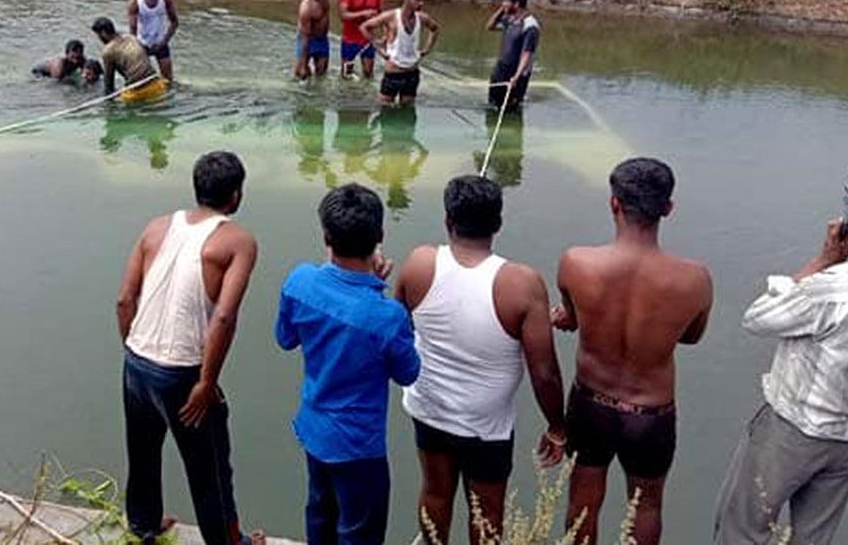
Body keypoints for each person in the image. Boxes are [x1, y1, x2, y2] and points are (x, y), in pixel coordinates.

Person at [396, 175, 567, 545]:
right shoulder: (522, 283)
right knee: (487, 512)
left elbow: (398, 326)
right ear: (498, 223)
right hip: (485, 425)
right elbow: (545, 372)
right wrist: (557, 425)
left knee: (435, 493)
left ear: (447, 220)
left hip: (430, 408)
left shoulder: (419, 263)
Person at [552, 157, 713, 545]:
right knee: (647, 506)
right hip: (651, 413)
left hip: (591, 402)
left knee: (583, 498)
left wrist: (567, 319)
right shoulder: (695, 279)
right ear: (668, 209)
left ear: (613, 203)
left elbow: (572, 317)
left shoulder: (576, 263)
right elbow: (691, 337)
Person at [116, 151, 261, 545]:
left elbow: (125, 299)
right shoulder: (238, 241)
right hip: (182, 372)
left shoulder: (156, 227)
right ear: (235, 194)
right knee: (210, 469)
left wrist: (133, 351)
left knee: (142, 452)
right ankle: (229, 541)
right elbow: (224, 318)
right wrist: (205, 381)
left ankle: (143, 524)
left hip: (137, 362)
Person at [714, 177, 848, 545]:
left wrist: (822, 260)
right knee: (813, 538)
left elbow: (758, 317)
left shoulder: (834, 287)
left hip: (795, 427)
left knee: (743, 528)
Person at [275, 183, 420, 545]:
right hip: (358, 446)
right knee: (359, 533)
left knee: (320, 515)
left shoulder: (300, 281)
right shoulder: (387, 316)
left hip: (314, 430)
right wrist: (376, 289)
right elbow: (408, 372)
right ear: (379, 237)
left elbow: (286, 338)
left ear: (326, 235)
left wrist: (368, 286)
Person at [360, 0, 440, 106]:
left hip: (412, 73)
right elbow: (364, 27)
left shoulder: (422, 17)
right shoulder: (391, 16)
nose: (421, 3)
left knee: (407, 113)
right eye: (417, 0)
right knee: (385, 111)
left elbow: (435, 29)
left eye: (422, 0)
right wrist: (379, 48)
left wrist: (427, 49)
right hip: (393, 73)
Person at [485, 0, 539, 111]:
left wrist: (516, 76)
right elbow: (490, 26)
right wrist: (502, 10)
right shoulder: (510, 19)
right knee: (493, 105)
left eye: (506, 2)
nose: (503, 4)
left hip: (515, 73)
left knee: (510, 109)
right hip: (501, 68)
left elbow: (527, 54)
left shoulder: (530, 26)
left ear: (517, 4)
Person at [92, 17, 166, 103]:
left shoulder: (108, 51)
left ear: (103, 33)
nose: (99, 38)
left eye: (98, 35)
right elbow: (146, 52)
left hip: (137, 91)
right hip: (155, 82)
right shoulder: (131, 37)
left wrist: (108, 103)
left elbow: (109, 82)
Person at [128, 0, 180, 82]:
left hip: (161, 43)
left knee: (168, 80)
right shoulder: (135, 2)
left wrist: (164, 42)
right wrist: (138, 50)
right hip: (142, 45)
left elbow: (175, 23)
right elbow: (133, 31)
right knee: (142, 80)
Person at [338, 0, 384, 79]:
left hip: (368, 39)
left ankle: (365, 96)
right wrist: (363, 13)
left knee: (368, 74)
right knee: (346, 75)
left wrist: (385, 34)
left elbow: (381, 15)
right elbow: (343, 15)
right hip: (350, 38)